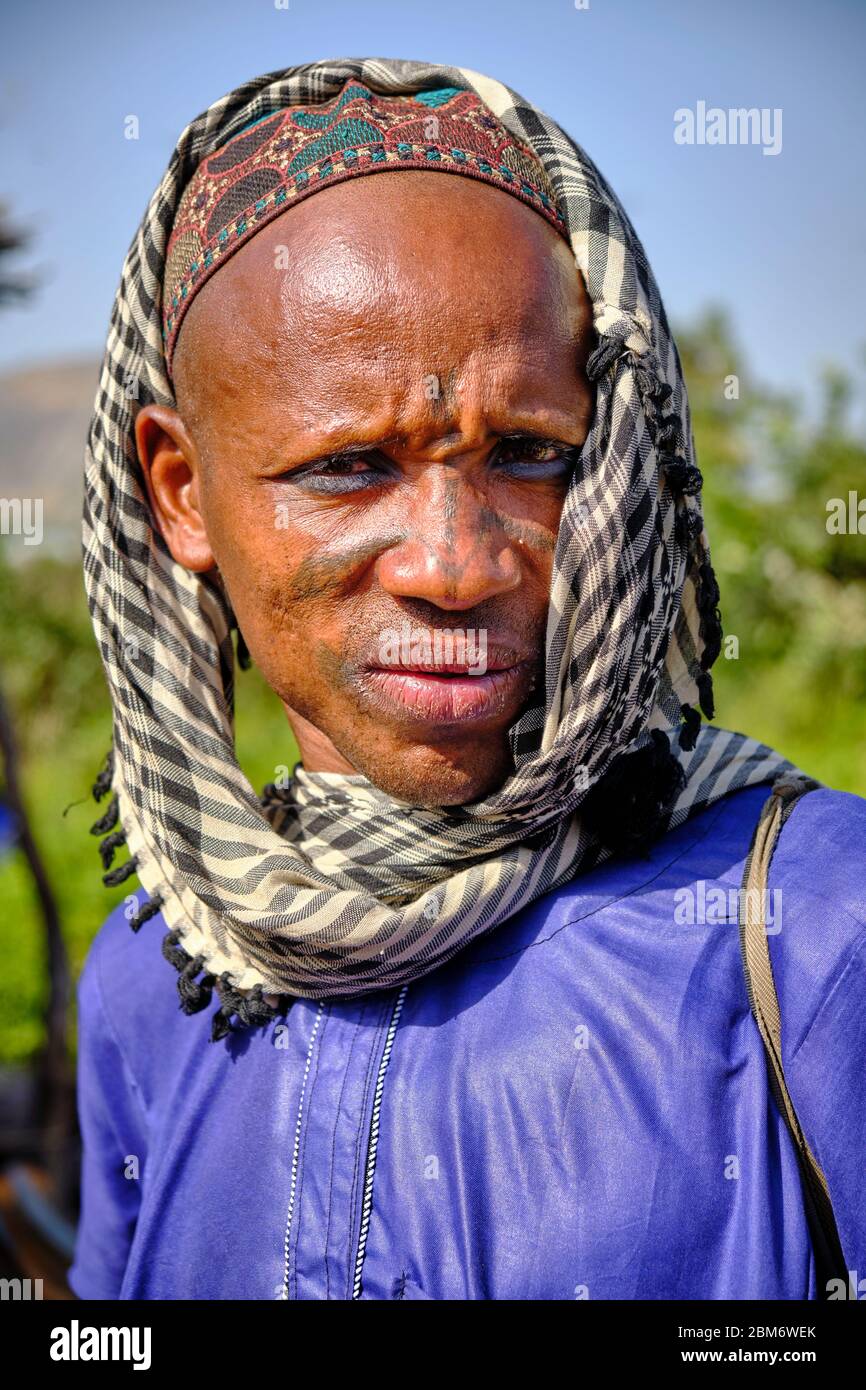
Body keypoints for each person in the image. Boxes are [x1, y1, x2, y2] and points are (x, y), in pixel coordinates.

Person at [69, 59, 865, 1301]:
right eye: (345, 467)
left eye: (529, 452)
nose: (453, 562)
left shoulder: (816, 930)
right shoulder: (154, 972)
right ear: (181, 491)